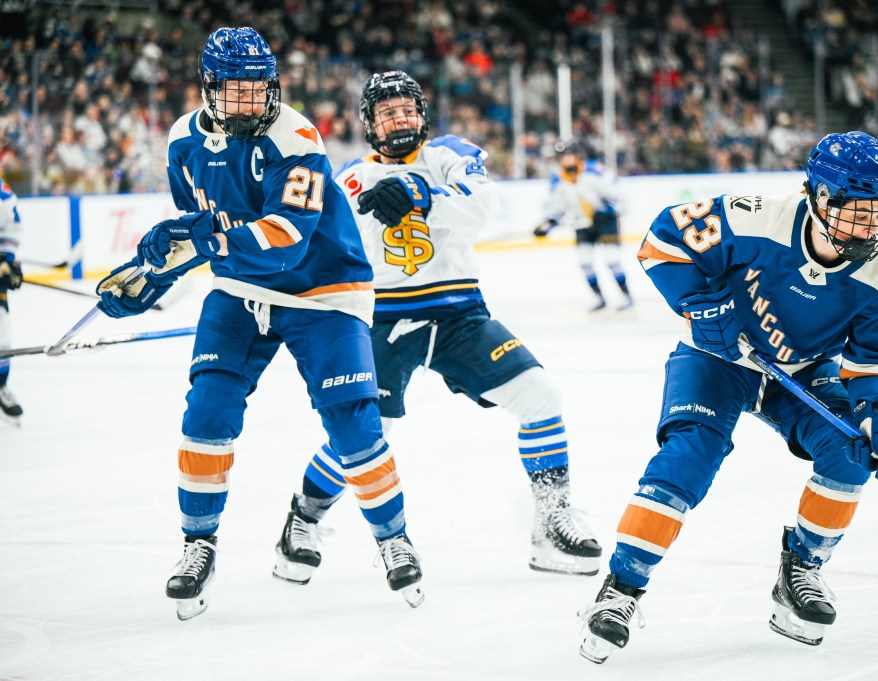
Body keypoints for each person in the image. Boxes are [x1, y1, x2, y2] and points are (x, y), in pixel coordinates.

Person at [94, 27, 423, 619]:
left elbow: (287, 241)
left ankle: (392, 536)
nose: (249, 103)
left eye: (257, 91)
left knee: (352, 421)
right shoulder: (181, 141)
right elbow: (201, 223)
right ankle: (199, 545)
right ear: (208, 90)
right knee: (207, 412)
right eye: (234, 93)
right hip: (239, 292)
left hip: (323, 292)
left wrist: (203, 240)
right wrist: (155, 275)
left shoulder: (295, 137)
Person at [577, 131, 878, 663]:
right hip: (715, 359)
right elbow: (663, 241)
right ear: (821, 198)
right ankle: (621, 588)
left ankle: (801, 569)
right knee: (690, 454)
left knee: (850, 450)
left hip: (802, 373)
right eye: (860, 209)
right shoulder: (752, 217)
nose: (873, 224)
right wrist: (701, 305)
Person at [273, 70, 602, 584]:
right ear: (368, 124)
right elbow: (330, 246)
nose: (398, 118)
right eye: (386, 113)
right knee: (360, 433)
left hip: (458, 315)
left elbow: (480, 209)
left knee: (541, 396)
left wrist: (421, 195)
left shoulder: (449, 155)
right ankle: (302, 520)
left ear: (422, 116)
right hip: (382, 318)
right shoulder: (347, 178)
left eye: (407, 109)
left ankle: (551, 519)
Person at [533, 141, 633, 311]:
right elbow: (557, 208)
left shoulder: (596, 171)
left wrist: (605, 211)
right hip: (581, 224)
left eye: (570, 154)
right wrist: (548, 223)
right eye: (563, 156)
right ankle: (599, 298)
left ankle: (626, 296)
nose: (567, 159)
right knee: (584, 262)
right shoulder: (557, 179)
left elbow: (617, 196)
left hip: (605, 222)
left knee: (612, 259)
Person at [0, 176, 24, 425]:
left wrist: (8, 259)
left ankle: (0, 387)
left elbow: (11, 226)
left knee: (2, 332)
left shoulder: (2, 193)